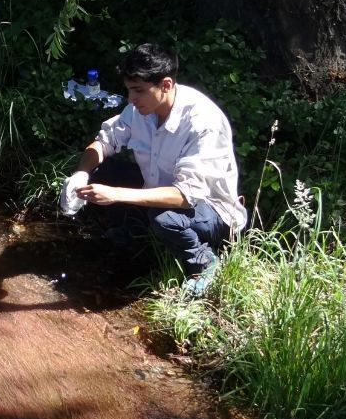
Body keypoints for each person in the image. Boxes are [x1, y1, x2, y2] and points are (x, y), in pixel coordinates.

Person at [59, 43, 247, 297]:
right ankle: (136, 231)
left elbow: (185, 196)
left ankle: (202, 262)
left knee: (164, 217)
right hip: (159, 189)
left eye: (138, 91)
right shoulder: (140, 109)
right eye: (128, 90)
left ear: (166, 85)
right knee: (103, 168)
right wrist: (80, 174)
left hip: (210, 211)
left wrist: (115, 194)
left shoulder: (202, 123)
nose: (131, 100)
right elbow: (105, 141)